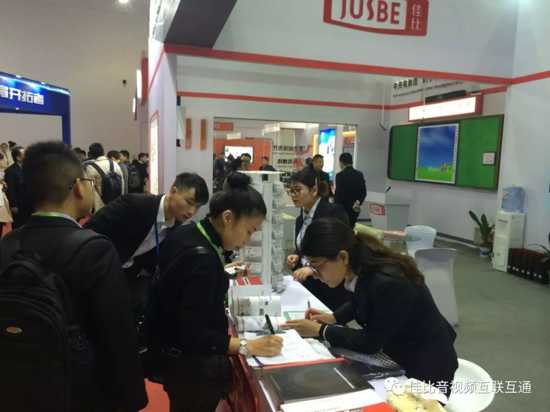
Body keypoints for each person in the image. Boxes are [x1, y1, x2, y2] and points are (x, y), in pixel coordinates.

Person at [0, 141, 147, 411]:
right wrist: (131, 398)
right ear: (79, 187)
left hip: (18, 387)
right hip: (79, 392)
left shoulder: (8, 244)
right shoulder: (94, 249)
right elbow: (117, 335)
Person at [284, 218, 458, 400]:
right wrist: (334, 317)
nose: (314, 274)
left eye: (316, 266)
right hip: (399, 350)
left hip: (426, 367)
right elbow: (360, 299)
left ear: (343, 257)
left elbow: (369, 341)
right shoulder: (363, 268)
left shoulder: (388, 282)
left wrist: (321, 330)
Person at [154, 172, 283, 411]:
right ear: (228, 218)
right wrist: (247, 346)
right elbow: (194, 334)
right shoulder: (203, 260)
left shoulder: (190, 233)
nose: (248, 240)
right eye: (249, 231)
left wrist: (221, 274)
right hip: (191, 370)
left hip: (174, 360)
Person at [85, 173, 209, 318]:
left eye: (197, 207)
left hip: (125, 281)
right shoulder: (135, 205)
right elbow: (91, 229)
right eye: (189, 202)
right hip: (96, 272)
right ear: (173, 191)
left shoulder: (175, 228)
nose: (192, 211)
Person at [285, 168, 352, 310]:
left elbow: (341, 249)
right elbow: (308, 248)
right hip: (307, 284)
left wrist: (313, 269)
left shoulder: (333, 212)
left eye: (298, 190)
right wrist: (297, 256)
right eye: (291, 191)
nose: (293, 195)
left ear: (314, 190)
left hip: (329, 285)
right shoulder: (300, 219)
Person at [85, 143, 125, 210]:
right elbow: (122, 183)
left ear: (91, 154)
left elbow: (89, 188)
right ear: (103, 152)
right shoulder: (115, 164)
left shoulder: (90, 167)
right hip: (115, 203)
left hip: (99, 205)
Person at [335, 152, 367, 228]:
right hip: (354, 209)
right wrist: (358, 202)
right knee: (352, 228)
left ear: (341, 162)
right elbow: (363, 192)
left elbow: (339, 195)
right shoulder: (359, 174)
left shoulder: (340, 175)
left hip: (342, 210)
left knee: (342, 229)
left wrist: (335, 207)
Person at [5, 146, 32, 228]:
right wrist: (13, 205)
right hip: (19, 205)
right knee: (19, 227)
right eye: (24, 154)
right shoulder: (10, 171)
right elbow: (11, 189)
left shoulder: (29, 168)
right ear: (18, 157)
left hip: (30, 204)